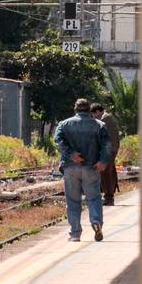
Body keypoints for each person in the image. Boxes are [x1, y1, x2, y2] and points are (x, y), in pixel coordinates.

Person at [54, 97, 109, 242]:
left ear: (75, 109)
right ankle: (96, 222)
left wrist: (71, 154)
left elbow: (58, 141)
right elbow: (107, 145)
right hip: (92, 167)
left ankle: (75, 234)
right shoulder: (100, 125)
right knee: (94, 198)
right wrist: (103, 161)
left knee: (73, 200)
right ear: (89, 109)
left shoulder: (64, 124)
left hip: (71, 167)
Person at [92, 103, 120, 206]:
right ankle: (109, 196)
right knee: (109, 173)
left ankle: (108, 198)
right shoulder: (109, 117)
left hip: (109, 150)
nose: (94, 117)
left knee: (106, 174)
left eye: (93, 114)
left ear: (98, 111)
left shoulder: (104, 119)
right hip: (112, 149)